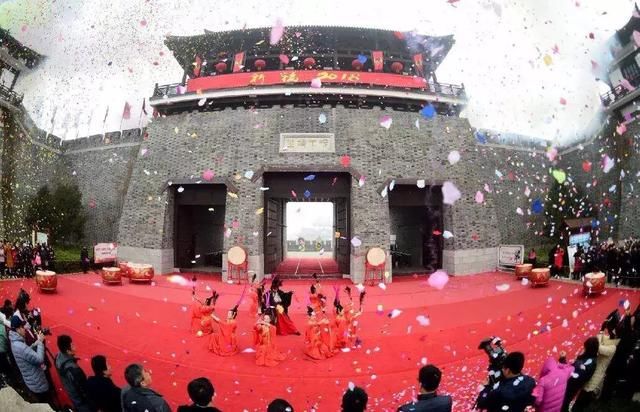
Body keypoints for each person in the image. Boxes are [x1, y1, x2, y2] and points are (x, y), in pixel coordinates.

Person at [571, 315, 620, 411]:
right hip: (591, 370)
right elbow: (599, 340)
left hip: (596, 375)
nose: (609, 331)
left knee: (584, 396)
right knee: (581, 395)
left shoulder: (613, 347)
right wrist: (603, 330)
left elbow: (598, 347)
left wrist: (602, 330)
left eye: (612, 329)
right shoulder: (608, 339)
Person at [8, 315, 50, 403]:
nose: (25, 329)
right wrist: (40, 342)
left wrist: (35, 344)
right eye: (22, 327)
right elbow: (39, 359)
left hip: (32, 380)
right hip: (37, 383)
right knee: (46, 402)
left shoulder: (15, 342)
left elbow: (26, 352)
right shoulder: (19, 345)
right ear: (18, 329)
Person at [55, 334, 93, 412]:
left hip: (72, 394)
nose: (74, 346)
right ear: (68, 351)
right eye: (72, 345)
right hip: (81, 401)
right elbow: (84, 389)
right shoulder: (74, 369)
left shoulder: (58, 357)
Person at [560, 337, 599, 412]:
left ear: (588, 349)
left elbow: (572, 372)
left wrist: (563, 360)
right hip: (575, 384)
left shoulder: (586, 363)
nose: (584, 349)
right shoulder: (591, 358)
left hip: (572, 385)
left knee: (564, 402)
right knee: (566, 401)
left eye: (585, 347)